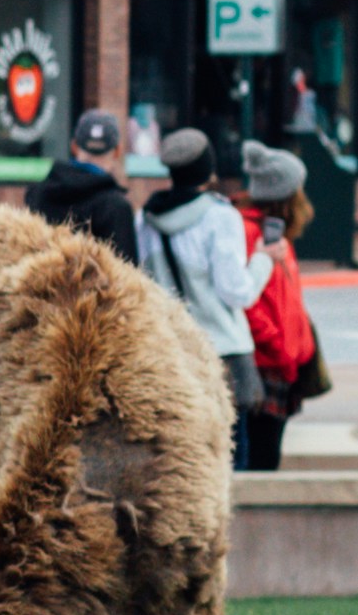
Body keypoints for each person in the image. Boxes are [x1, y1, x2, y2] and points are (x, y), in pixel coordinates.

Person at [135, 126, 271, 469]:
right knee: (232, 452)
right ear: (207, 170)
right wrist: (264, 261)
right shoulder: (219, 216)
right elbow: (236, 291)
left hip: (174, 350)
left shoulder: (146, 218)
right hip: (224, 351)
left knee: (184, 455)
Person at [239, 140, 324, 472]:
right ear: (287, 196)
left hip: (284, 364)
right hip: (267, 364)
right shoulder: (249, 233)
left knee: (268, 454)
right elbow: (248, 300)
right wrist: (277, 344)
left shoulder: (279, 236)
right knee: (261, 458)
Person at [29, 109, 142, 261]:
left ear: (74, 146)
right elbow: (128, 274)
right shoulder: (117, 207)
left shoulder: (38, 194)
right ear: (117, 151)